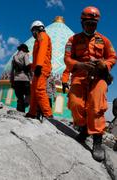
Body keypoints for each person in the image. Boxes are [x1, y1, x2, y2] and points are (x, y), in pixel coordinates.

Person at [64, 6, 116, 162]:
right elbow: (67, 59)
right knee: (75, 103)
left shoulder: (104, 40)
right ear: (82, 23)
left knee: (96, 104)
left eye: (93, 24)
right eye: (88, 23)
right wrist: (80, 65)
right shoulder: (72, 40)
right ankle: (84, 128)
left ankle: (97, 141)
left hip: (99, 78)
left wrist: (104, 65)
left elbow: (113, 57)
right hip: (79, 76)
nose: (91, 26)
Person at [25, 20, 53, 121]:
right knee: (34, 90)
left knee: (39, 90)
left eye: (33, 31)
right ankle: (32, 112)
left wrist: (39, 66)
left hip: (42, 68)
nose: (32, 34)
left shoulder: (43, 36)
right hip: (38, 67)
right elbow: (37, 57)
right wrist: (32, 66)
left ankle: (48, 114)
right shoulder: (37, 40)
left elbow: (42, 51)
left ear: (37, 29)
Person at [10, 44, 31, 112]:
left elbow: (12, 71)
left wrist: (12, 81)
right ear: (24, 49)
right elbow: (28, 65)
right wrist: (31, 75)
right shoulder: (25, 55)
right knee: (28, 94)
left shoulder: (14, 57)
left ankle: (20, 111)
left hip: (16, 79)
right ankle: (26, 104)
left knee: (20, 97)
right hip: (24, 78)